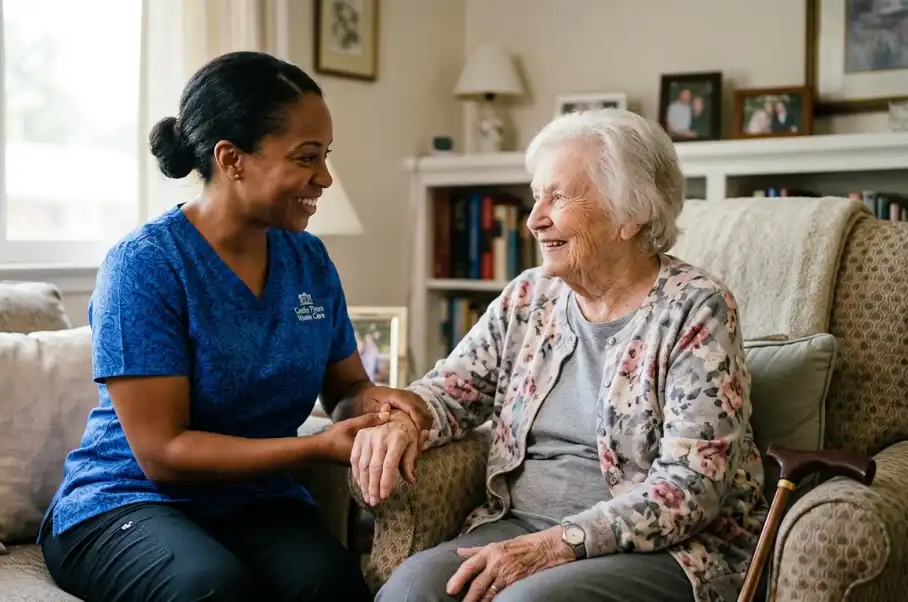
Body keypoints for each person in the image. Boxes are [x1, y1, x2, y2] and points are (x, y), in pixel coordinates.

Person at [38, 51, 431, 602]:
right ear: (232, 158)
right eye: (306, 158)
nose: (324, 177)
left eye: (325, 156)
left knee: (330, 586)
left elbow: (344, 389)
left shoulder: (309, 260)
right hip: (128, 499)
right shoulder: (145, 266)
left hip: (254, 501)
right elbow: (164, 453)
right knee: (213, 589)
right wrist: (315, 449)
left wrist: (373, 400)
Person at [356, 109, 767, 602]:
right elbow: (450, 390)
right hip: (519, 524)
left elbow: (691, 487)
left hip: (660, 548)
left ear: (630, 214)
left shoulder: (696, 308)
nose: (533, 220)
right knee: (410, 590)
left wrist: (557, 545)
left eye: (559, 197)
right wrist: (408, 420)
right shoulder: (530, 296)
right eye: (536, 197)